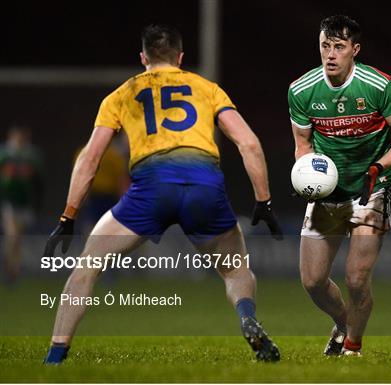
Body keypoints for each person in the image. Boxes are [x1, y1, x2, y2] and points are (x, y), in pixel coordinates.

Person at [42, 23, 282, 364]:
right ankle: (247, 317)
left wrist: (68, 216)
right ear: (181, 57)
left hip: (150, 190)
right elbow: (249, 143)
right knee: (235, 270)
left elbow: (90, 159)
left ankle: (55, 356)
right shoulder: (207, 88)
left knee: (87, 266)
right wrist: (264, 201)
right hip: (204, 186)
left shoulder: (121, 95)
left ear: (143, 57)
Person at [288, 15, 391, 356]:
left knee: (357, 278)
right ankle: (345, 324)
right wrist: (306, 172)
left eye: (339, 47)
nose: (330, 54)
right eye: (325, 46)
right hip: (330, 194)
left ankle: (352, 348)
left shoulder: (380, 86)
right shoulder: (301, 90)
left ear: (355, 50)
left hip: (372, 188)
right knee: (313, 281)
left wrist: (380, 166)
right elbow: (303, 144)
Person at [0, 125, 43, 284]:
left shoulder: (30, 156)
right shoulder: (5, 155)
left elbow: (38, 181)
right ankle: (10, 269)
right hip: (9, 202)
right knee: (13, 235)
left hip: (24, 202)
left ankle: (13, 268)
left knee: (18, 237)